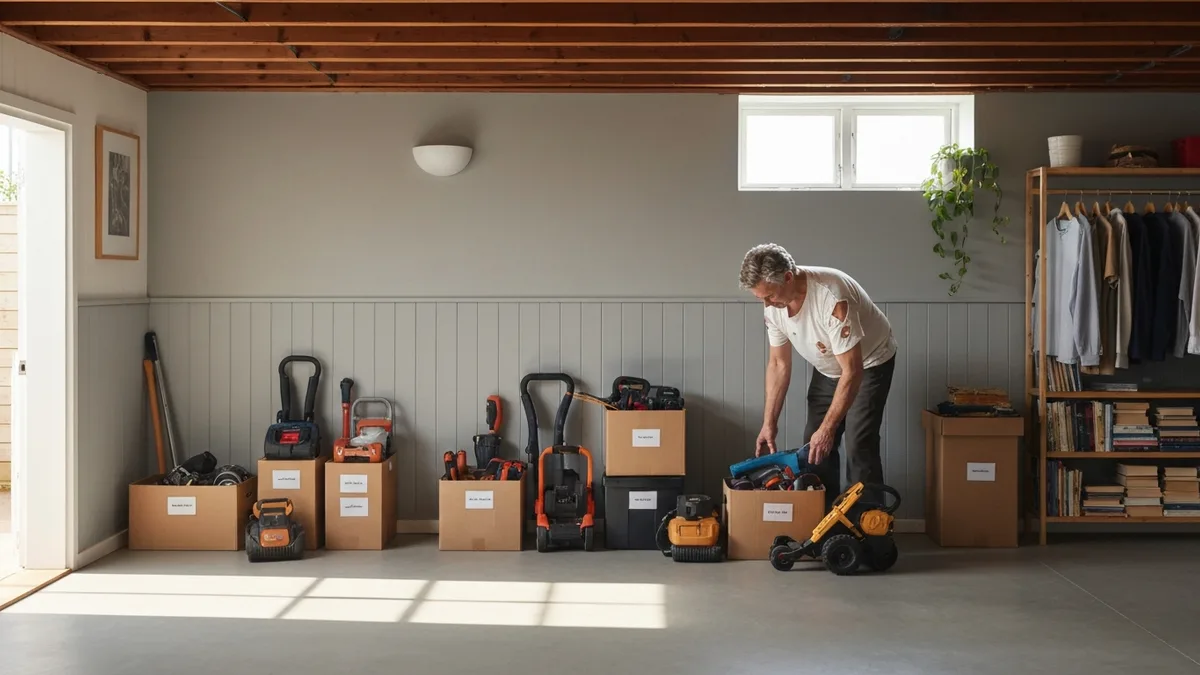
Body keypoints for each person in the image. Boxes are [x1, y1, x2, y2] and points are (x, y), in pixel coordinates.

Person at [739, 243, 897, 507]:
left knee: (859, 443)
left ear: (788, 277)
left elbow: (852, 370)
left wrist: (828, 429)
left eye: (770, 296)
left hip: (868, 362)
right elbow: (778, 364)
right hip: (829, 368)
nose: (767, 304)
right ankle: (823, 518)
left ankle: (865, 522)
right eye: (761, 298)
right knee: (814, 446)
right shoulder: (774, 306)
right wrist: (769, 423)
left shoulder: (831, 297)